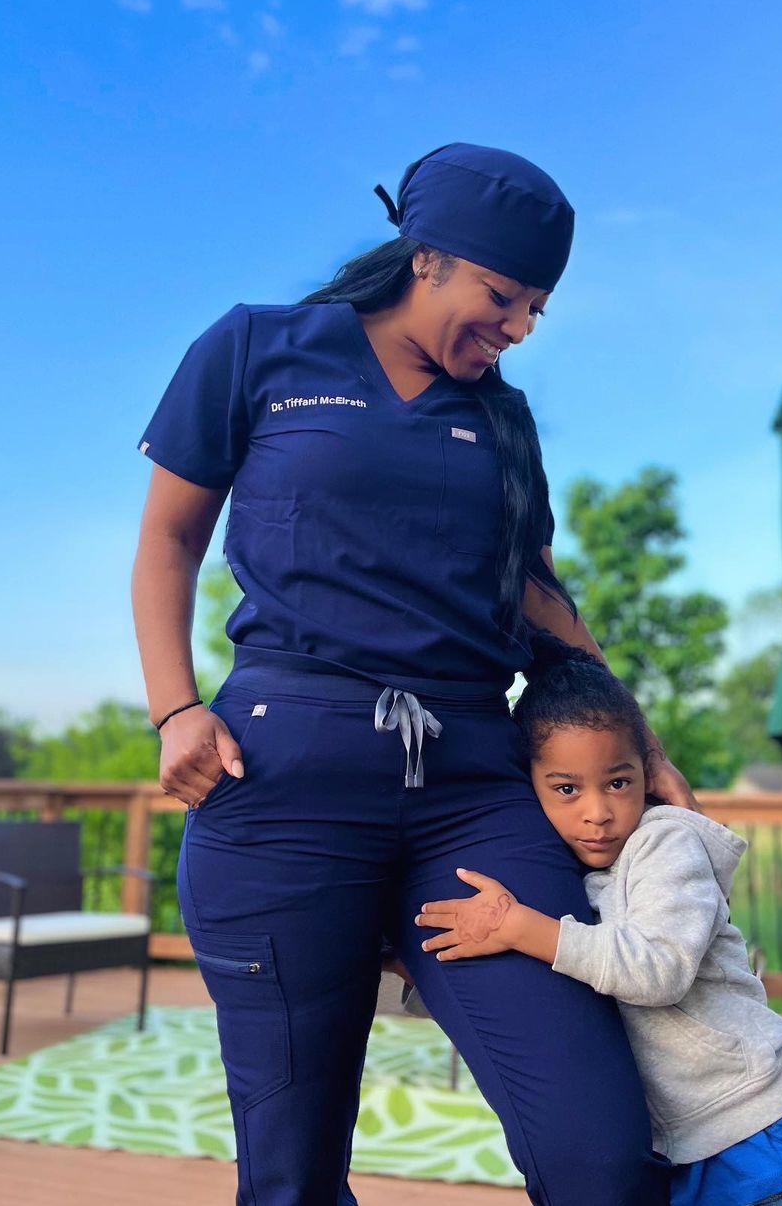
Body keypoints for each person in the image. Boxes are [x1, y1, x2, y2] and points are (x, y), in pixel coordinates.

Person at [131, 143, 685, 1205]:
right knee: (292, 1178)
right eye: (504, 296)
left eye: (537, 309)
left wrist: (642, 745)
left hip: (474, 790)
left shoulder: (501, 419)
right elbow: (168, 541)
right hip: (284, 785)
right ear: (425, 257)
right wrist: (175, 710)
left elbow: (538, 597)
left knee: (601, 1155)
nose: (520, 328)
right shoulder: (257, 348)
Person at [415, 633, 782, 1206]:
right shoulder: (564, 868)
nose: (598, 812)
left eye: (618, 782)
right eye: (566, 789)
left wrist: (521, 928)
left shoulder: (664, 846)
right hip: (690, 1154)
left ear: (647, 773)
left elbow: (658, 969)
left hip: (773, 1144)